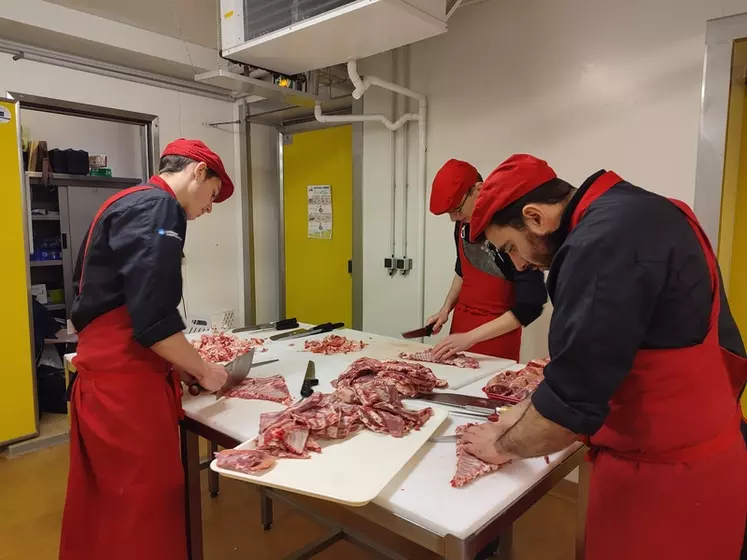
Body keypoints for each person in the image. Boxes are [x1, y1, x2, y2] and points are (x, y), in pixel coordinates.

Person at [461, 154, 747, 560]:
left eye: (512, 247)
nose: (522, 263)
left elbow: (564, 417)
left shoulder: (599, 245)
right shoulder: (650, 210)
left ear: (535, 217)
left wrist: (502, 445)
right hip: (713, 459)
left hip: (661, 489)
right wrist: (525, 408)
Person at [59, 139, 235, 560]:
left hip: (106, 378)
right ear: (197, 171)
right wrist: (207, 371)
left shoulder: (126, 201)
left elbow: (120, 299)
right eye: (213, 193)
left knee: (108, 502)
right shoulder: (160, 207)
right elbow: (154, 319)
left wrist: (183, 364)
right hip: (125, 389)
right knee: (143, 501)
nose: (211, 207)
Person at [427, 159, 547, 362]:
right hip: (460, 329)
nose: (454, 218)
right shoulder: (463, 225)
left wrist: (471, 338)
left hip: (497, 339)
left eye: (456, 209)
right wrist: (445, 309)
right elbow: (462, 270)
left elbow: (530, 306)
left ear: (477, 189)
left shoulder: (511, 230)